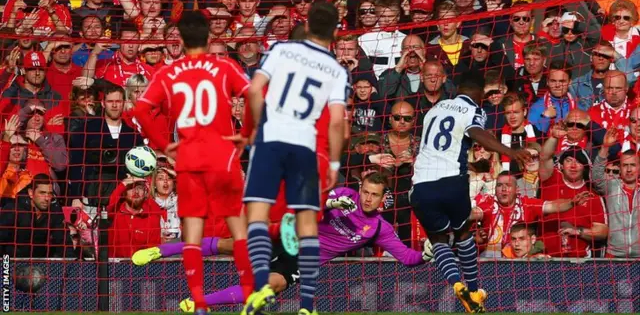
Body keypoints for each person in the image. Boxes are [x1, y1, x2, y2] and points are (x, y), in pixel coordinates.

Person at [133, 172, 432, 312]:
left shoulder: (378, 228)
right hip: (289, 235)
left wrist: (425, 254)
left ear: (382, 199)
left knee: (268, 287)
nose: (367, 198)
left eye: (374, 194)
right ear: (360, 189)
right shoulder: (345, 196)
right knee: (227, 245)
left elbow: (406, 258)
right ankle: (159, 250)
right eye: (365, 191)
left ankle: (199, 303)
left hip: (303, 260)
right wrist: (330, 204)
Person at [131, 10, 254, 315]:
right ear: (209, 36)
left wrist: (164, 146)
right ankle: (251, 296)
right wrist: (246, 134)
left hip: (189, 159)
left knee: (193, 235)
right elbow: (255, 95)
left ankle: (199, 303)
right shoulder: (224, 65)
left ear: (181, 39)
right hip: (223, 157)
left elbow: (142, 110)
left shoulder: (168, 73)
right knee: (239, 231)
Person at [240, 1, 349, 315]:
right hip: (304, 146)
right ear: (336, 32)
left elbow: (254, 90)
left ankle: (261, 286)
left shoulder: (281, 51)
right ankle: (306, 306)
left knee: (257, 218)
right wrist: (334, 164)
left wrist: (257, 129)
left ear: (307, 25)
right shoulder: (336, 70)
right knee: (308, 228)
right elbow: (338, 121)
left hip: (271, 141)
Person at [410, 76, 530, 313]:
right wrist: (509, 151)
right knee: (464, 232)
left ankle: (456, 284)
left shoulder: (433, 110)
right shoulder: (474, 109)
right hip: (451, 180)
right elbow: (476, 132)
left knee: (438, 240)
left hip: (421, 185)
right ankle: (474, 290)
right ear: (479, 98)